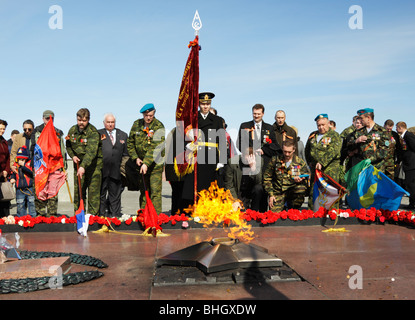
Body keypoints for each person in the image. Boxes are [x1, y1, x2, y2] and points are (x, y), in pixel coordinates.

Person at [181, 93, 227, 205]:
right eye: (203, 104)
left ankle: (208, 211)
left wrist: (221, 161)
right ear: (199, 104)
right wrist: (188, 145)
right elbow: (185, 135)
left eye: (208, 104)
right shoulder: (193, 119)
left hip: (212, 157)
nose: (205, 106)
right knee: (196, 186)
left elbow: (221, 141)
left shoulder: (217, 120)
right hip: (197, 155)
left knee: (211, 188)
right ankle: (195, 211)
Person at [127, 103, 165, 214]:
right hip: (140, 165)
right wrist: (135, 158)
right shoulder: (136, 124)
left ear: (154, 113)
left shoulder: (159, 126)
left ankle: (156, 218)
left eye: (151, 115)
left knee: (155, 192)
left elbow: (156, 147)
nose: (148, 118)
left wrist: (146, 163)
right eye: (146, 115)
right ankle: (144, 216)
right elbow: (130, 143)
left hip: (155, 166)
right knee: (144, 191)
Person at [66, 108, 102, 215]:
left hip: (93, 166)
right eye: (79, 120)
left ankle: (92, 218)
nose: (81, 123)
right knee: (79, 192)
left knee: (93, 194)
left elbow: (91, 152)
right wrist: (72, 156)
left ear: (88, 120)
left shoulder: (93, 132)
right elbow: (68, 146)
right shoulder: (72, 130)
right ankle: (79, 216)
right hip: (78, 165)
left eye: (84, 120)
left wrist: (83, 166)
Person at [31, 110, 67, 217]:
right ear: (43, 118)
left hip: (54, 167)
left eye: (51, 118)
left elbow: (62, 150)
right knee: (40, 190)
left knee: (53, 192)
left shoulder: (58, 132)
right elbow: (32, 148)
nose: (49, 120)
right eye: (47, 118)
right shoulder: (37, 131)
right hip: (41, 166)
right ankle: (40, 215)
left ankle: (52, 215)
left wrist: (63, 165)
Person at [305, 113, 342, 209]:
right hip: (315, 171)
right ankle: (312, 215)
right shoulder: (313, 135)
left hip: (330, 171)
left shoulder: (334, 135)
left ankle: (332, 216)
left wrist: (321, 162)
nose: (321, 127)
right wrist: (310, 162)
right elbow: (307, 150)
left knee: (331, 194)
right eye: (319, 125)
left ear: (328, 123)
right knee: (314, 194)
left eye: (323, 125)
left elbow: (334, 151)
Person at [264, 140, 310, 212]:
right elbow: (267, 178)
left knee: (301, 189)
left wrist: (301, 180)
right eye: (285, 151)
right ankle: (282, 206)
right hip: (278, 192)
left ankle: (293, 207)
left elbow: (306, 176)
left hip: (293, 191)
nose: (287, 154)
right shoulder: (275, 160)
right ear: (282, 149)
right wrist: (271, 194)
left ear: (294, 150)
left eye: (289, 152)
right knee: (274, 216)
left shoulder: (300, 162)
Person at [98, 113, 129, 217]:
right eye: (108, 122)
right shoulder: (98, 134)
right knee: (101, 195)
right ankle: (101, 217)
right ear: (104, 123)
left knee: (115, 195)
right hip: (102, 171)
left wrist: (122, 169)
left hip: (116, 171)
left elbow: (126, 154)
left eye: (112, 122)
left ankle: (115, 217)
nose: (110, 124)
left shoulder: (123, 135)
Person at [237, 104, 280, 173]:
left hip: (265, 164)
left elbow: (275, 147)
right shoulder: (244, 126)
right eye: (254, 114)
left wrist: (264, 150)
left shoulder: (269, 128)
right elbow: (239, 144)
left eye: (258, 114)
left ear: (263, 114)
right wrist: (250, 152)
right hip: (248, 163)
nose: (256, 116)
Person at [224, 147, 266, 212]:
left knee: (258, 188)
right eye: (246, 160)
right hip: (238, 191)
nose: (248, 162)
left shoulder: (259, 161)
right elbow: (229, 184)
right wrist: (234, 200)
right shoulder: (232, 162)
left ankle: (254, 212)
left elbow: (259, 182)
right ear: (242, 156)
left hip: (251, 190)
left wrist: (253, 168)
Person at [348, 108, 389, 173]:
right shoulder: (359, 132)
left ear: (368, 118)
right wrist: (356, 141)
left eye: (362, 118)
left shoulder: (382, 131)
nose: (360, 121)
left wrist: (369, 159)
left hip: (376, 168)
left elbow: (384, 151)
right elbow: (349, 146)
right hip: (361, 168)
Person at [10, 146, 35, 217]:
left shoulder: (29, 164)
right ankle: (21, 219)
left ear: (26, 159)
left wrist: (24, 165)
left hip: (29, 188)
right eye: (19, 159)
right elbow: (13, 174)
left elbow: (32, 173)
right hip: (19, 189)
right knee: (20, 205)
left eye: (23, 159)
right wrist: (12, 178)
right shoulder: (15, 165)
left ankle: (33, 218)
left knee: (32, 204)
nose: (20, 160)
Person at [396, 121, 415, 210]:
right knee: (409, 184)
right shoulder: (403, 137)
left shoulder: (408, 135)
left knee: (410, 184)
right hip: (408, 164)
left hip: (412, 164)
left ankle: (413, 203)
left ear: (400, 128)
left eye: (397, 127)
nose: (396, 129)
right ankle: (412, 204)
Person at [0, 119, 11, 217]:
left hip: (3, 174)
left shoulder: (4, 141)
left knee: (5, 200)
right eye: (0, 128)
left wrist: (6, 170)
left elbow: (8, 158)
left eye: (4, 129)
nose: (2, 131)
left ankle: (5, 220)